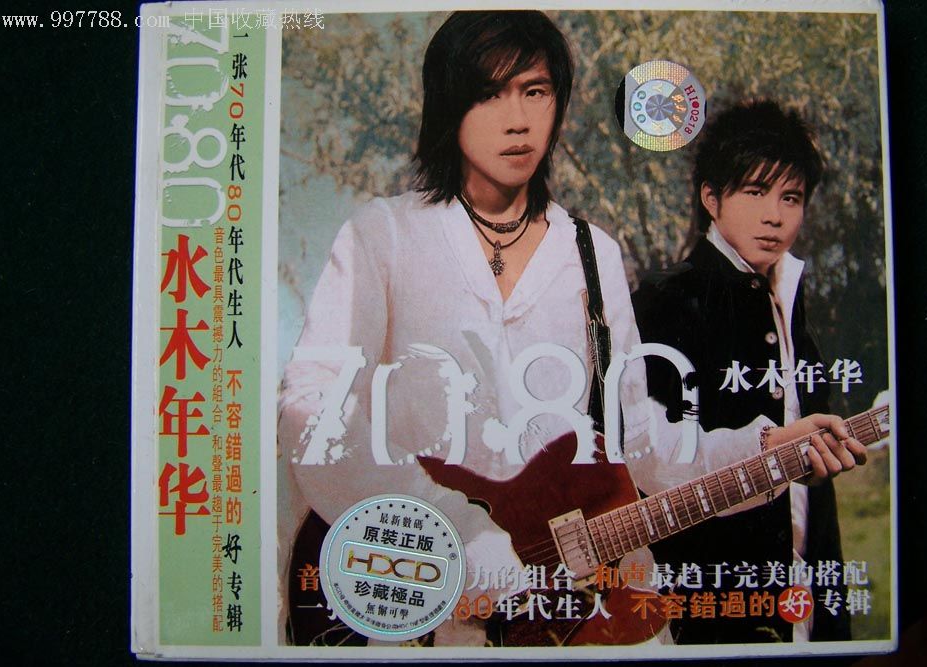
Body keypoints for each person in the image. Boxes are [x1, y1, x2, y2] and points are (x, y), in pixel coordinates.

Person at [278, 13, 863, 647]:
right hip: (418, 597)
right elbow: (311, 409)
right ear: (450, 104)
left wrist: (767, 449)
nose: (518, 120)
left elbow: (641, 443)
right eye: (489, 93)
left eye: (535, 91)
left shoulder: (591, 252)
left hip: (561, 613)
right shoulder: (384, 235)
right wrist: (454, 533)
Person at [630, 99, 865, 643]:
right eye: (755, 192)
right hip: (713, 604)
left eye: (791, 197)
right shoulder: (665, 300)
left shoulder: (790, 296)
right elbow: (648, 460)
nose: (775, 216)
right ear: (711, 198)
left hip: (806, 585)